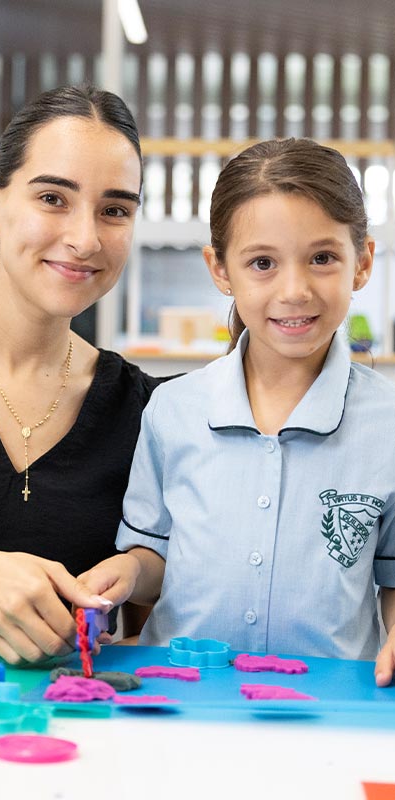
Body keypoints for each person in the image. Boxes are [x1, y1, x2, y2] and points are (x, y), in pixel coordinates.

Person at [77, 137, 395, 687]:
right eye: (262, 263)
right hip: (183, 699)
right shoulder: (172, 410)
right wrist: (127, 572)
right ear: (220, 269)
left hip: (336, 704)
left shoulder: (386, 422)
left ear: (362, 261)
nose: (294, 290)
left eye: (323, 258)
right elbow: (154, 559)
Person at [0, 84, 166, 664]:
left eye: (115, 210)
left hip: (69, 736)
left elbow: (154, 610)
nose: (86, 238)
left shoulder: (147, 411)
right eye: (53, 198)